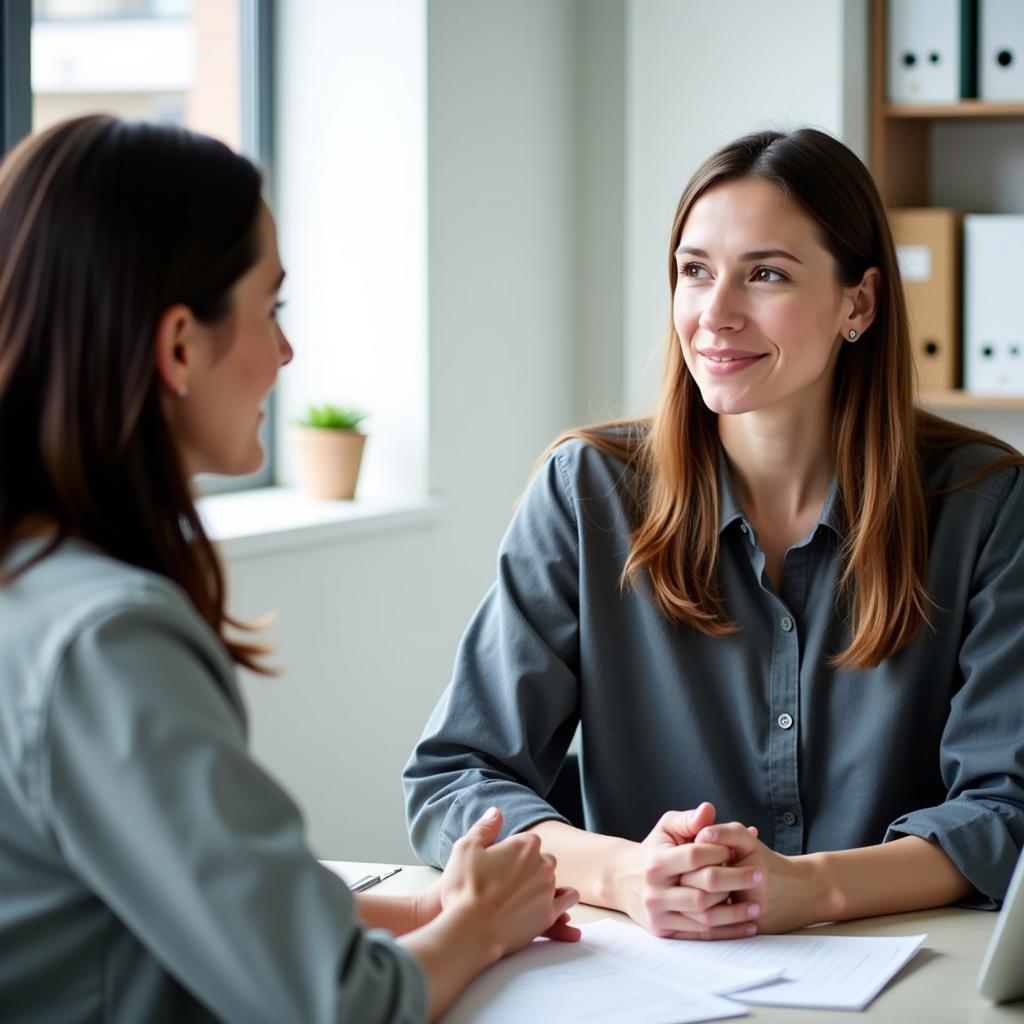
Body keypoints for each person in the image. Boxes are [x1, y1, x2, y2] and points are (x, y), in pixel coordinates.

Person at [0, 115, 579, 1023]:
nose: (286, 353)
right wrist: (475, 927)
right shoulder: (106, 638)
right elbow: (334, 1005)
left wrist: (424, 909)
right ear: (180, 344)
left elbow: (163, 888)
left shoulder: (31, 585)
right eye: (272, 309)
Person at [404, 127, 1024, 941]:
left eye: (765, 274)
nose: (715, 315)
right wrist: (626, 875)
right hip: (649, 978)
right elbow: (457, 779)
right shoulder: (588, 491)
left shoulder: (985, 502)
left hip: (909, 972)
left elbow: (1006, 808)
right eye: (694, 271)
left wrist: (811, 889)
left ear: (859, 304)